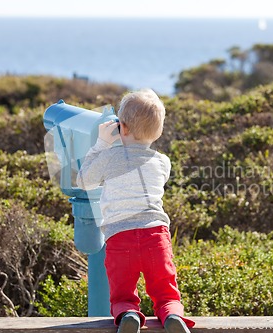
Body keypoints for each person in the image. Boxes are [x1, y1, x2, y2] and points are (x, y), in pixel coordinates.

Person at [76, 89, 195, 333]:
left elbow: (83, 181)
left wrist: (101, 144)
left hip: (121, 237)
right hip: (156, 235)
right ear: (158, 131)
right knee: (166, 291)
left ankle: (128, 313)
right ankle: (172, 314)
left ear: (123, 128)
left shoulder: (108, 157)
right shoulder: (163, 162)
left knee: (122, 294)